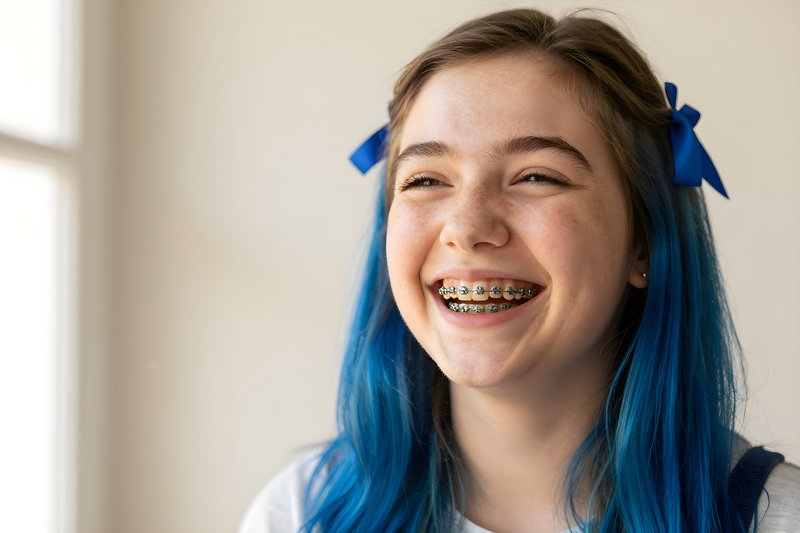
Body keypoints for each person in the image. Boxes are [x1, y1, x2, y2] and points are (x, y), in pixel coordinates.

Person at [240, 8, 800, 532]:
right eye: (426, 179)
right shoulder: (297, 513)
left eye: (536, 177)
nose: (467, 226)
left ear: (645, 244)